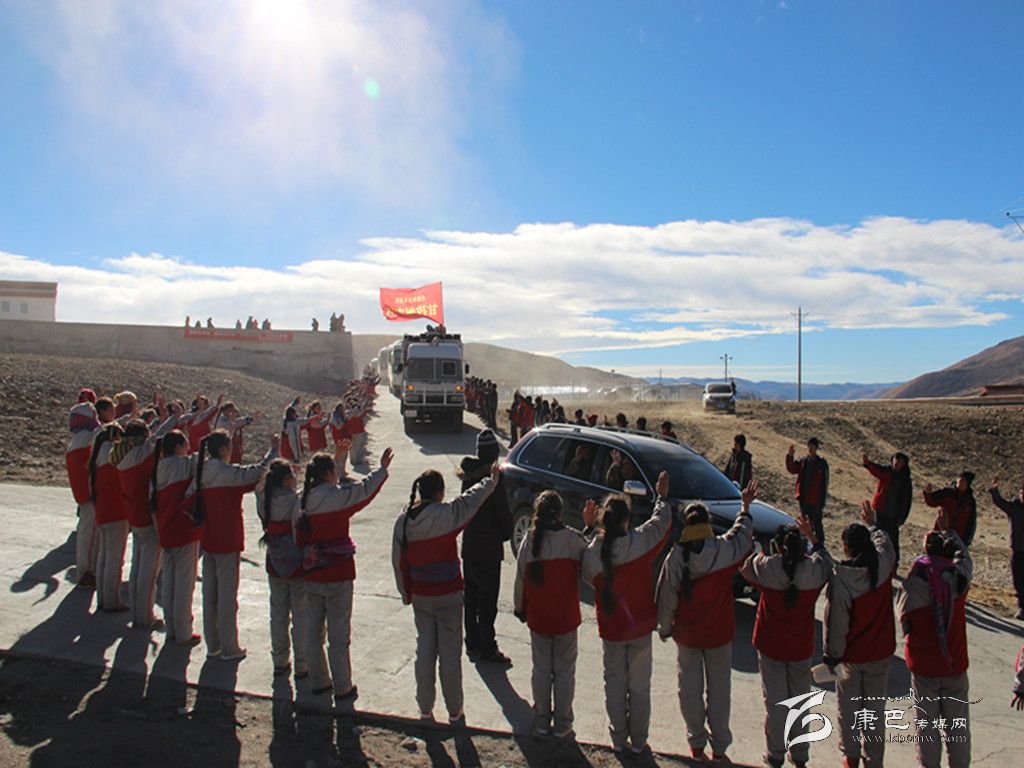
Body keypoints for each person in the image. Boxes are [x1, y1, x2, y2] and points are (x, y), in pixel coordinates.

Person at [392, 463, 500, 725]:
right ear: (439, 492)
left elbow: (398, 561)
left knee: (424, 652)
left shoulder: (403, 521)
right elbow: (471, 500)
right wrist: (491, 481)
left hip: (421, 596)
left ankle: (425, 709)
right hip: (449, 596)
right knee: (450, 656)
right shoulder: (447, 514)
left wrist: (406, 593)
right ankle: (454, 711)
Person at [656, 482, 756, 762]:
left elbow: (667, 596)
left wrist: (664, 627)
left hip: (688, 635)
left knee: (689, 690)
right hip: (719, 634)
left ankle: (696, 742)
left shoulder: (677, 557)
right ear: (708, 524)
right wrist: (745, 507)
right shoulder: (722, 550)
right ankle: (719, 747)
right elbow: (741, 536)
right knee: (719, 691)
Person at [581, 471, 672, 754]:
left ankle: (618, 739)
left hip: (612, 629)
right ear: (626, 520)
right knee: (640, 688)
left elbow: (587, 575)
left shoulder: (594, 552)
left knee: (614, 685)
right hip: (640, 628)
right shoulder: (640, 542)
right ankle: (639, 741)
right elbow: (661, 524)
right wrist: (661, 497)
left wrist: (589, 529)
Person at [296, 446, 392, 704]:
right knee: (338, 635)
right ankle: (343, 686)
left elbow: (297, 538)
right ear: (329, 474)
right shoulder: (337, 497)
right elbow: (364, 491)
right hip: (338, 574)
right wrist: (382, 470)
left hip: (312, 574)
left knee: (313, 632)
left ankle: (319, 681)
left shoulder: (302, 500)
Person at [740, 514, 831, 768]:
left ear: (778, 548)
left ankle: (775, 753)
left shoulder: (769, 568)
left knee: (776, 702)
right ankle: (799, 753)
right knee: (801, 701)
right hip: (800, 645)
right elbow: (826, 562)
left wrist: (759, 550)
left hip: (771, 644)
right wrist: (814, 538)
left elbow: (746, 567)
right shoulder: (812, 571)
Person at [186, 429, 279, 661]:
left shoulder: (201, 473)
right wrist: (273, 451)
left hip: (208, 539)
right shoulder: (227, 473)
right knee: (227, 596)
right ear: (223, 449)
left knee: (210, 594)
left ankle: (213, 644)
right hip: (228, 539)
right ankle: (229, 646)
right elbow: (257, 472)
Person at [514, 490, 597, 737]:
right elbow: (590, 553)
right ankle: (562, 723)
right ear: (561, 513)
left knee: (541, 670)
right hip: (565, 618)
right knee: (564, 673)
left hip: (539, 617)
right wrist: (590, 525)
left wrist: (520, 608)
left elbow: (520, 579)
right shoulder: (571, 539)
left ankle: (541, 720)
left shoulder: (529, 540)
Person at [823, 501, 896, 768]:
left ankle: (851, 758)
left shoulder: (843, 579)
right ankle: (874, 760)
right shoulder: (883, 566)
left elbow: (837, 623)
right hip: (879, 653)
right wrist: (873, 524)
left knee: (849, 710)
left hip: (851, 656)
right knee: (875, 713)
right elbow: (885, 544)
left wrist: (832, 655)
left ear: (846, 547)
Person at [897, 527, 973, 768]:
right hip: (954, 664)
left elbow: (904, 621)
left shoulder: (913, 585)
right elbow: (966, 559)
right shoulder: (958, 581)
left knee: (926, 726)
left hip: (924, 667)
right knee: (957, 726)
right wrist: (952, 532)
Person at [112, 412, 178, 630]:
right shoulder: (141, 454)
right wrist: (174, 417)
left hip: (134, 515)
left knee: (137, 567)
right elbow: (159, 435)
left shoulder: (122, 455)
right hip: (147, 516)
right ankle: (145, 615)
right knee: (149, 571)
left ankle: (137, 611)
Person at [458, 429, 513, 664]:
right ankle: (488, 647)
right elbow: (503, 513)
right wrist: (505, 534)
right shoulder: (494, 479)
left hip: (470, 545)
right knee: (488, 601)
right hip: (488, 548)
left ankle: (472, 642)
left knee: (470, 598)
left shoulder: (467, 476)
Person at [257, 460, 309, 679]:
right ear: (288, 480)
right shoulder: (296, 500)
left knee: (278, 614)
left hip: (274, 563)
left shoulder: (264, 501)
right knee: (301, 616)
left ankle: (279, 659)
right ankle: (302, 663)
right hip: (297, 564)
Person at [151, 429, 202, 646]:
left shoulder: (158, 468)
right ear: (179, 446)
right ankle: (183, 631)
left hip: (165, 530)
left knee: (169, 583)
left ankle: (172, 628)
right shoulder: (182, 465)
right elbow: (202, 462)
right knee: (184, 583)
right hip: (184, 530)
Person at [91, 422, 131, 612]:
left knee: (104, 557)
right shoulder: (113, 456)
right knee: (115, 559)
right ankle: (111, 599)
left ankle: (102, 597)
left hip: (102, 510)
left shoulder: (98, 455)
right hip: (117, 511)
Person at [66, 401, 101, 588]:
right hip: (88, 494)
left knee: (86, 534)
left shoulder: (77, 439)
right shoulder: (84, 437)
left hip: (83, 493)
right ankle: (86, 573)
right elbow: (101, 432)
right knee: (89, 536)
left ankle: (86, 571)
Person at [862, 451, 913, 564]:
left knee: (892, 541)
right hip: (880, 511)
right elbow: (876, 470)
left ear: (904, 464)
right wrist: (867, 463)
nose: (897, 462)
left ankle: (893, 564)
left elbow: (907, 501)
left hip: (894, 516)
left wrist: (902, 518)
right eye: (895, 459)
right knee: (876, 535)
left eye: (900, 461)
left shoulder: (905, 480)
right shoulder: (887, 472)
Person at [989, 476, 1024, 619]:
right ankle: (1021, 607)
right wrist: (994, 491)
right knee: (1018, 580)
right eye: (1022, 493)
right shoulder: (1014, 508)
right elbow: (1000, 502)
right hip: (1017, 550)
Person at [785, 438, 829, 547]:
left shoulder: (822, 464)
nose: (810, 448)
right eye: (809, 446)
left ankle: (820, 545)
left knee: (817, 524)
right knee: (804, 523)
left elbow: (824, 484)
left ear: (816, 448)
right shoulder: (804, 461)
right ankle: (805, 545)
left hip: (815, 500)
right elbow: (792, 468)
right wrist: (790, 455)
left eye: (812, 446)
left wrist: (821, 502)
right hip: (804, 498)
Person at [924, 472, 978, 546]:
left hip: (956, 538)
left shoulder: (970, 502)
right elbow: (932, 501)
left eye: (963, 480)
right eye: (959, 479)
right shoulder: (947, 492)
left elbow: (970, 523)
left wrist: (966, 541)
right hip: (940, 533)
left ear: (968, 484)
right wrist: (928, 494)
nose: (960, 481)